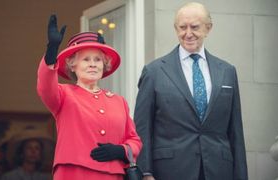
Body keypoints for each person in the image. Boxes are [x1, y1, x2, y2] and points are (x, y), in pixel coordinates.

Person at [134, 2, 248, 180]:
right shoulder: (154, 71)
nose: (188, 33)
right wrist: (145, 172)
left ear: (208, 28)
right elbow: (142, 127)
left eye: (194, 27)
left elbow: (235, 131)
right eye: (182, 27)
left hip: (219, 170)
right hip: (170, 170)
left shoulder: (227, 71)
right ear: (175, 29)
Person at [36, 14, 142, 180]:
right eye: (86, 59)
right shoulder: (63, 94)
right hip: (74, 173)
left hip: (113, 175)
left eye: (98, 60)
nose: (93, 64)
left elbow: (134, 140)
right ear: (73, 65)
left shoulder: (118, 101)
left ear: (104, 65)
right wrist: (51, 51)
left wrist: (121, 150)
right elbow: (45, 87)